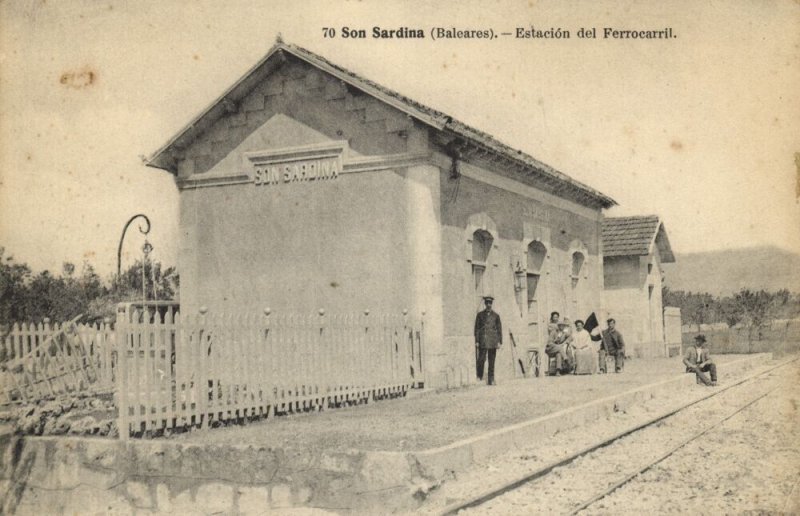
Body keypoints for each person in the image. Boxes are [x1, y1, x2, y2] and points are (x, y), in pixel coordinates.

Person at [474, 295, 502, 385]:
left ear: (492, 304)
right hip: (483, 340)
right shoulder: (480, 315)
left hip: (492, 341)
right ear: (485, 304)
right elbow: (477, 328)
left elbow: (499, 329)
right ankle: (480, 376)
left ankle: (491, 379)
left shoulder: (496, 316)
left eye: (490, 303)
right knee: (481, 359)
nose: (489, 305)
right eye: (487, 303)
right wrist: (477, 341)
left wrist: (499, 341)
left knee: (492, 361)